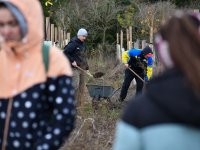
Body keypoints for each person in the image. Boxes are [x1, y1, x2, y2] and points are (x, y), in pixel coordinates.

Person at [113, 11, 200, 150]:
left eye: (150, 55)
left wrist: (147, 78)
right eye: (148, 55)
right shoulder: (135, 52)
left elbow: (149, 70)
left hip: (139, 72)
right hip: (130, 70)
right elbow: (124, 54)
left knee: (140, 86)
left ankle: (137, 97)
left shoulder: (137, 112)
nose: (149, 57)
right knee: (125, 84)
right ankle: (121, 99)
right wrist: (125, 63)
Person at [0, 0, 76, 150]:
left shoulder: (52, 60)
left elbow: (64, 118)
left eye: (13, 23)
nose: (6, 31)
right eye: (1, 24)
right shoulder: (2, 58)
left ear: (28, 20)